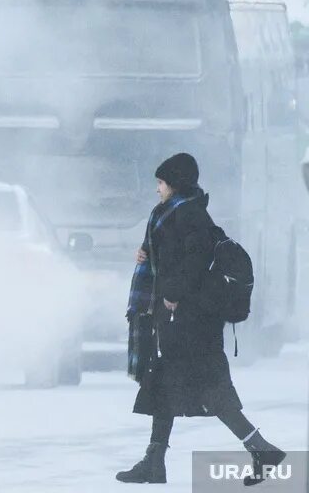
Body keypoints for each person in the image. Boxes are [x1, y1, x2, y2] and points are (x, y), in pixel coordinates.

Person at [117, 153, 285, 485]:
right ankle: (154, 461)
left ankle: (262, 450)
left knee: (209, 389)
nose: (157, 189)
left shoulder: (189, 214)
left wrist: (173, 293)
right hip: (181, 317)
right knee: (165, 385)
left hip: (191, 319)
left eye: (161, 183)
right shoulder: (175, 213)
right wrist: (148, 254)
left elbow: (196, 258)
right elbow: (175, 254)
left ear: (175, 184)